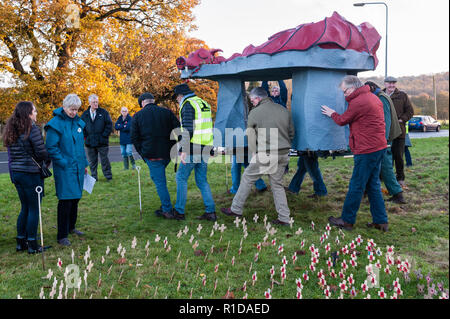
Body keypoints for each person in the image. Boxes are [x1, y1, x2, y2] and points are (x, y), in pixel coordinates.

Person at [321, 76, 388, 232]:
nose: (344, 95)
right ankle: (381, 221)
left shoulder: (359, 101)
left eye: (345, 91)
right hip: (378, 146)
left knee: (356, 185)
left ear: (353, 88)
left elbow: (343, 120)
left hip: (367, 150)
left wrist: (332, 113)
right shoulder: (372, 97)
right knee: (373, 185)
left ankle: (347, 220)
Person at [221, 87, 295, 226]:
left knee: (248, 177)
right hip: (284, 153)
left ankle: (236, 209)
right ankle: (284, 218)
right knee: (277, 185)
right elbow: (291, 132)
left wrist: (254, 152)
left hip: (266, 153)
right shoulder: (283, 110)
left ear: (258, 98)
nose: (252, 102)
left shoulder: (255, 112)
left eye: (252, 100)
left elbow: (250, 135)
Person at [3, 101, 52, 254]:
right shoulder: (32, 129)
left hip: (17, 173)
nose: (36, 114)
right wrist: (46, 160)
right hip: (30, 173)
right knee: (33, 208)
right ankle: (32, 243)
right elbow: (41, 152)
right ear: (28, 113)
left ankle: (21, 241)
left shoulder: (12, 129)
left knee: (25, 207)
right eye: (34, 111)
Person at [45, 94, 89, 246]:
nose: (74, 112)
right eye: (71, 109)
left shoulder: (78, 123)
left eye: (76, 109)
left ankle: (71, 227)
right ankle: (62, 235)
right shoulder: (55, 124)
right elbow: (51, 147)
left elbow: (80, 147)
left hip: (77, 167)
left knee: (75, 198)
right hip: (64, 168)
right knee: (65, 200)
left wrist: (84, 165)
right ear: (64, 107)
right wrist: (63, 162)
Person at [169, 83, 216, 221]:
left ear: (180, 95)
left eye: (176, 98)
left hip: (192, 148)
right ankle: (210, 211)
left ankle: (179, 211)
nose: (177, 101)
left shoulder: (188, 104)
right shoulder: (203, 103)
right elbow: (208, 127)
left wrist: (183, 150)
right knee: (202, 180)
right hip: (205, 147)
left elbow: (188, 129)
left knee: (181, 178)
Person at [131, 92, 180, 217]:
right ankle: (166, 205)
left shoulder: (137, 116)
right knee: (157, 178)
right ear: (153, 101)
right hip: (167, 153)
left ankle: (167, 209)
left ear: (142, 103)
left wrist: (143, 153)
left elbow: (134, 138)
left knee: (160, 182)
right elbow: (178, 130)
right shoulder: (167, 112)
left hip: (152, 155)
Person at [365, 81, 406, 204]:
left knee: (385, 166)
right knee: (374, 165)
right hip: (384, 138)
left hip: (385, 139)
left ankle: (398, 194)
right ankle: (366, 190)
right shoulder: (382, 96)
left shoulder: (382, 98)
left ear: (372, 88)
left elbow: (385, 121)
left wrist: (384, 139)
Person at [383, 76, 414, 187]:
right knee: (385, 156)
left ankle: (400, 178)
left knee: (399, 156)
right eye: (389, 83)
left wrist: (402, 120)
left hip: (399, 132)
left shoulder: (402, 95)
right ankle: (386, 177)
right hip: (384, 132)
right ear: (385, 84)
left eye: (394, 83)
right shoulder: (380, 95)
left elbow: (410, 111)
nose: (392, 85)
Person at [81, 94, 113, 181]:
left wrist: (104, 136)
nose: (96, 104)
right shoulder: (85, 114)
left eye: (97, 102)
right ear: (89, 103)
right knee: (92, 162)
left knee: (104, 161)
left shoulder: (104, 113)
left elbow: (109, 125)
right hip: (90, 143)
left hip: (102, 142)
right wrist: (86, 138)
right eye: (94, 102)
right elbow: (81, 127)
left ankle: (108, 177)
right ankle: (94, 177)